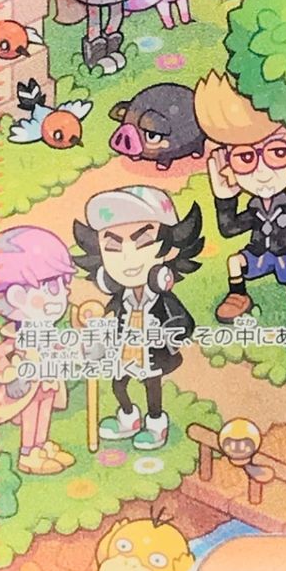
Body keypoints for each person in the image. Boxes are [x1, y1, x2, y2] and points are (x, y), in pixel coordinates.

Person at [71, 185, 201, 451]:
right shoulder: (120, 299)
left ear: (169, 249)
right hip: (125, 353)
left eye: (142, 243)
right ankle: (128, 417)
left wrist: (169, 334)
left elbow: (184, 323)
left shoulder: (163, 300)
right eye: (112, 247)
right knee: (119, 386)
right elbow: (108, 324)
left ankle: (155, 424)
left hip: (152, 355)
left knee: (152, 389)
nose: (127, 258)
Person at [192, 71, 286, 324]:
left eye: (278, 153)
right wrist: (224, 199)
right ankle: (238, 295)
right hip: (260, 253)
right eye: (245, 157)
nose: (262, 172)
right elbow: (229, 229)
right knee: (235, 262)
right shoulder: (253, 208)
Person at [0, 225, 75, 475]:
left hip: (47, 376)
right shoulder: (16, 336)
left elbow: (59, 346)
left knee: (46, 406)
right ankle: (28, 452)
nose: (60, 296)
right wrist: (9, 374)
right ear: (17, 296)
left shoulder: (47, 331)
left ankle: (41, 444)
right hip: (27, 380)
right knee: (31, 410)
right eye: (50, 287)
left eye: (62, 286)